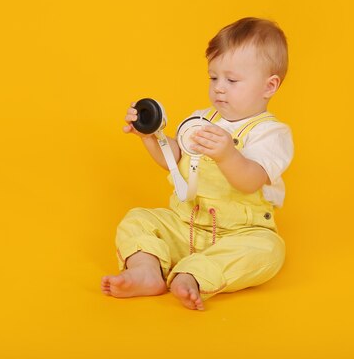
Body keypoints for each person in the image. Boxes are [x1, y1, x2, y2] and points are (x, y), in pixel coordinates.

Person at [101, 17, 294, 311]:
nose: (219, 88)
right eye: (213, 77)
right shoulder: (200, 119)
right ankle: (146, 270)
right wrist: (151, 138)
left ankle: (194, 275)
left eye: (231, 80)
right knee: (138, 218)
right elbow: (175, 161)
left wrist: (228, 155)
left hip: (239, 233)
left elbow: (251, 180)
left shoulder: (271, 134)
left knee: (269, 251)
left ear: (269, 86)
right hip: (186, 224)